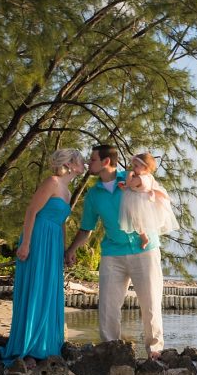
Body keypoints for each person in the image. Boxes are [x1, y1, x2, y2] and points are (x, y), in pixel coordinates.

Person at [64, 144, 165, 358]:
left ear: (106, 162)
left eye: (92, 160)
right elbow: (86, 229)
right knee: (108, 306)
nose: (88, 163)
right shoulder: (93, 195)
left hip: (145, 251)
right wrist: (71, 250)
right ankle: (111, 352)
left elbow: (156, 196)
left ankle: (155, 353)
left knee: (151, 304)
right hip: (112, 254)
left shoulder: (133, 177)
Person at [0, 149, 86, 369]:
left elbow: (62, 222)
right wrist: (26, 243)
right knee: (36, 289)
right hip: (38, 239)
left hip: (54, 243)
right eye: (81, 160)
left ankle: (45, 347)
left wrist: (67, 250)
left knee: (50, 291)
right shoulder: (53, 182)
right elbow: (31, 211)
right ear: (71, 163)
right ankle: (27, 349)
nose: (84, 163)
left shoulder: (67, 191)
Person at [118, 152, 179, 250]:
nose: (133, 168)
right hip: (143, 200)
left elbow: (130, 185)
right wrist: (124, 186)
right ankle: (144, 237)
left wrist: (129, 175)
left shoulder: (139, 179)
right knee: (138, 221)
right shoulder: (149, 176)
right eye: (133, 165)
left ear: (145, 168)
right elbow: (130, 187)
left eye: (136, 166)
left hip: (138, 202)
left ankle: (144, 238)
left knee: (136, 221)